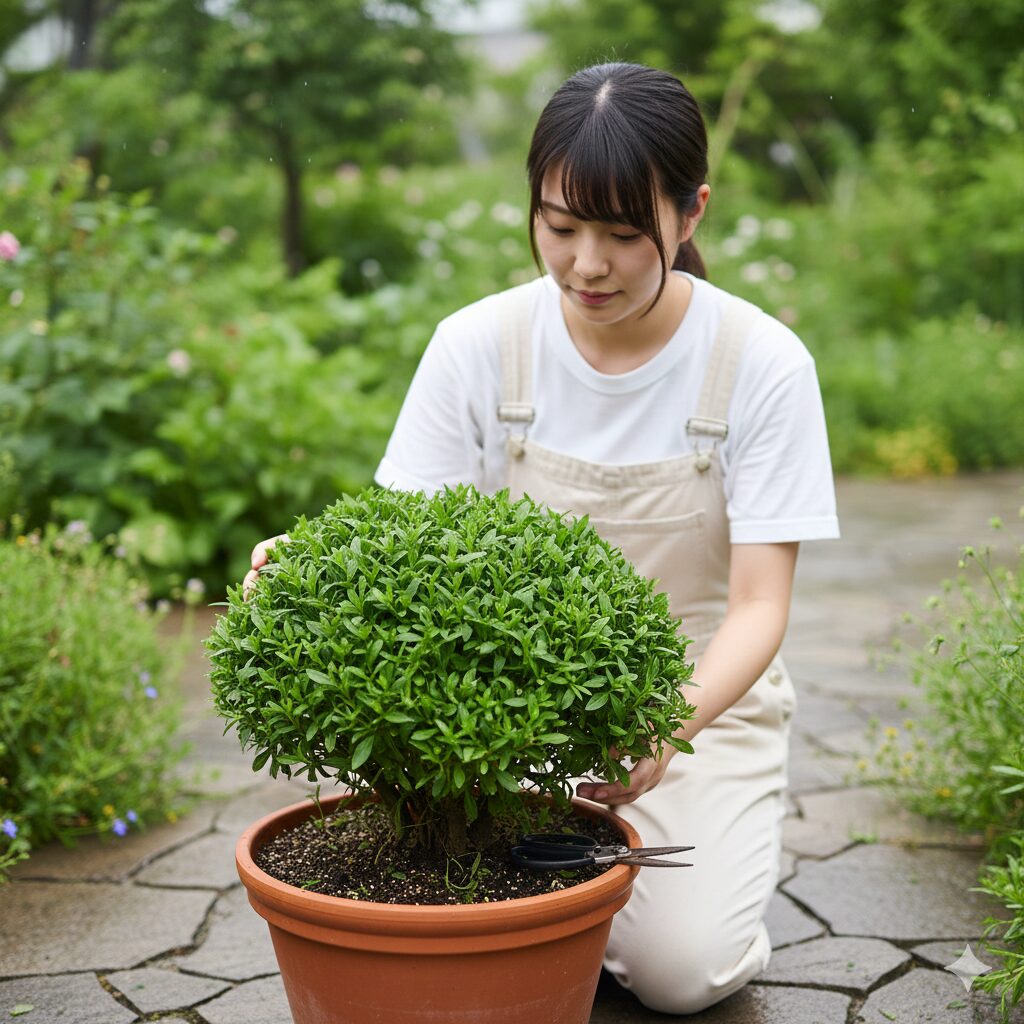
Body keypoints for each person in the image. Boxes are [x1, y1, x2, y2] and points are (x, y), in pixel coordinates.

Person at [246, 62, 839, 1015]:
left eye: (619, 233)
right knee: (469, 883)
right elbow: (400, 544)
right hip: (501, 706)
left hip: (690, 710)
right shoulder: (481, 344)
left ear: (691, 215)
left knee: (685, 976)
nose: (586, 266)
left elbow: (760, 607)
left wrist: (664, 725)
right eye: (560, 228)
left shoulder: (758, 363)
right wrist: (303, 568)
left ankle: (697, 876)